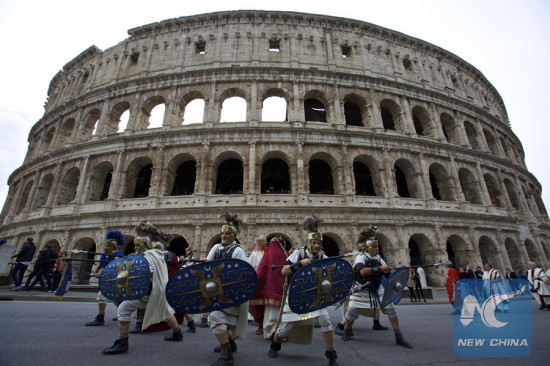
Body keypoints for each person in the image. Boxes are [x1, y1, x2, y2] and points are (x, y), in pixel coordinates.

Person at [267, 215, 340, 366]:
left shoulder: (322, 256)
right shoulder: (298, 254)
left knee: (326, 321)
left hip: (315, 295)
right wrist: (299, 264)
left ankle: (331, 355)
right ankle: (275, 344)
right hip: (298, 294)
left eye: (318, 243)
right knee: (284, 330)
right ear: (308, 242)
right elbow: (284, 271)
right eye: (313, 242)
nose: (316, 245)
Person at [103, 221, 182, 355]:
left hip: (148, 292)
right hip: (158, 292)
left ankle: (122, 342)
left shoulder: (147, 258)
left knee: (123, 309)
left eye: (137, 245)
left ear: (144, 245)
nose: (134, 248)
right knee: (165, 311)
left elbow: (148, 274)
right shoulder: (154, 255)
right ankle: (177, 332)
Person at [335, 225, 412, 349]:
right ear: (367, 248)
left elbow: (387, 273)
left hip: (377, 288)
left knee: (392, 310)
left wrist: (396, 273)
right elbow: (362, 271)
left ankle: (399, 336)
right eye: (374, 246)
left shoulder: (378, 258)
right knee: (351, 313)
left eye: (377, 246)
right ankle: (348, 330)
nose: (377, 248)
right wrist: (379, 268)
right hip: (362, 288)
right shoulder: (361, 257)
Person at [206, 210, 248, 366]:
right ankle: (230, 342)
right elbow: (208, 264)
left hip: (231, 292)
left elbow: (245, 271)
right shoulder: (216, 248)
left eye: (227, 234)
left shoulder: (238, 251)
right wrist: (205, 262)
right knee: (224, 320)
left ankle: (226, 355)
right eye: (222, 233)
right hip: (216, 290)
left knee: (216, 318)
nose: (223, 236)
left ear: (234, 235)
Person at [249, 236, 289, 340]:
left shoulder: (267, 255)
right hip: (280, 287)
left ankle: (269, 331)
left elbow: (261, 271)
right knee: (279, 311)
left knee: (270, 312)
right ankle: (279, 332)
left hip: (268, 287)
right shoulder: (284, 255)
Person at [85, 230, 125, 326]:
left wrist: (102, 275)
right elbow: (99, 265)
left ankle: (100, 318)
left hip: (114, 279)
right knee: (116, 299)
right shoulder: (104, 255)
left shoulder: (118, 256)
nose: (105, 248)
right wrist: (95, 271)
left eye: (107, 246)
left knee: (101, 296)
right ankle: (121, 314)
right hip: (106, 278)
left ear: (113, 247)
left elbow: (117, 269)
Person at [247, 235, 268, 335]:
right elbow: (250, 266)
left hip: (266, 280)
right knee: (259, 304)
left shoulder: (266, 252)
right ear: (259, 242)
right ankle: (260, 324)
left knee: (266, 303)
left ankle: (266, 324)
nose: (266, 243)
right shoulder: (254, 254)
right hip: (258, 280)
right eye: (264, 241)